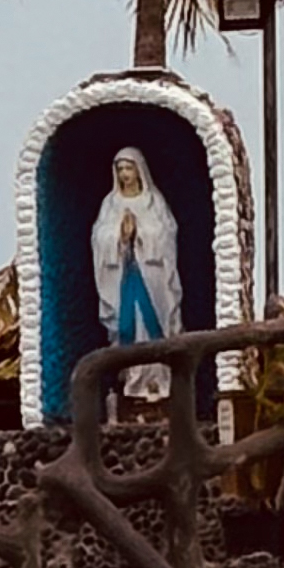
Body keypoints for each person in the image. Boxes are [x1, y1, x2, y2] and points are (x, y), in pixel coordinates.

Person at [91, 146, 180, 415]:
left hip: (151, 276)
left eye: (129, 168)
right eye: (120, 169)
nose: (124, 174)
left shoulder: (152, 201)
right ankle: (134, 381)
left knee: (152, 324)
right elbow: (98, 236)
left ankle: (158, 382)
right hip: (125, 274)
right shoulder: (111, 203)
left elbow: (167, 233)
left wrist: (141, 231)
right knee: (129, 325)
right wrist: (118, 234)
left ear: (139, 170)